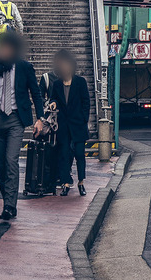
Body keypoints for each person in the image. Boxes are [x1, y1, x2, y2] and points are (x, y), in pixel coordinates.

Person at [0, 31, 45, 221]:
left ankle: (10, 205)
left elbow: (36, 94)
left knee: (11, 160)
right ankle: (6, 200)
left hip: (16, 119)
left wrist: (40, 118)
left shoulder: (25, 67)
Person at [49, 50, 90, 197]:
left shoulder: (80, 82)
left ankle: (81, 182)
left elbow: (86, 102)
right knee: (64, 154)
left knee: (79, 154)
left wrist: (84, 119)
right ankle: (65, 183)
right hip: (63, 126)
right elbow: (52, 99)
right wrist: (53, 103)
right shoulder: (57, 84)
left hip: (78, 124)